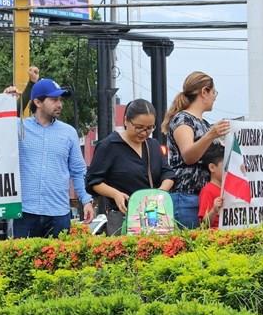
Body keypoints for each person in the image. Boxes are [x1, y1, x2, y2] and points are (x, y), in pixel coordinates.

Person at [12, 77, 94, 237]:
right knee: (24, 261)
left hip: (59, 213)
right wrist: (5, 100)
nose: (60, 104)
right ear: (37, 102)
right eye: (54, 99)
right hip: (26, 212)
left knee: (59, 261)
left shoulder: (69, 133)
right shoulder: (18, 128)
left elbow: (78, 171)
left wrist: (86, 200)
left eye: (60, 100)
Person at [86, 99, 175, 235]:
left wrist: (159, 193)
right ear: (126, 120)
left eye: (150, 128)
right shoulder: (109, 146)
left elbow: (168, 174)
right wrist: (115, 194)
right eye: (139, 127)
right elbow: (93, 181)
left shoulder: (153, 145)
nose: (144, 133)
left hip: (153, 217)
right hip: (123, 217)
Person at [162, 71, 231, 228]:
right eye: (214, 92)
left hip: (203, 196)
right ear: (204, 91)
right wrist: (210, 135)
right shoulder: (183, 120)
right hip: (186, 196)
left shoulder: (204, 124)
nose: (215, 97)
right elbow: (188, 156)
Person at [197, 143, 225, 229]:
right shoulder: (208, 191)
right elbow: (203, 225)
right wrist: (214, 210)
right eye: (225, 166)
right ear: (212, 167)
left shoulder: (230, 189)